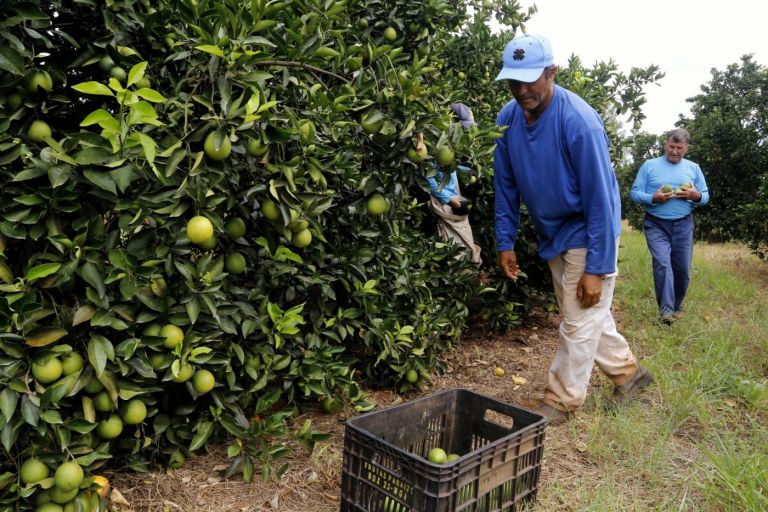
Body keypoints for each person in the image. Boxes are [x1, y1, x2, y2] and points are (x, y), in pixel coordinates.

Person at [493, 34, 652, 424]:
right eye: (515, 81)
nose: (523, 89)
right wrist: (504, 240)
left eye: (532, 79)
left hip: (587, 228)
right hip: (553, 233)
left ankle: (561, 401)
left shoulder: (578, 122)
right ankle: (630, 376)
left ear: (552, 72)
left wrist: (598, 267)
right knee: (585, 313)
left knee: (578, 318)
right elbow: (506, 185)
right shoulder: (507, 119)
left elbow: (601, 199)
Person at [629, 128, 710, 324]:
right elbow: (634, 193)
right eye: (671, 146)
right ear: (665, 144)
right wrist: (653, 198)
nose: (674, 151)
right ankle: (666, 312)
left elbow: (705, 196)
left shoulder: (693, 168)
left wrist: (695, 196)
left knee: (682, 269)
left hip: (683, 225)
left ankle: (676, 306)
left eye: (679, 148)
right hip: (655, 224)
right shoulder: (649, 166)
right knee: (663, 264)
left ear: (686, 148)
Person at [424, 103, 482, 264]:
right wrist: (449, 200)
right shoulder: (435, 143)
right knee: (453, 241)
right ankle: (456, 275)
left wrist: (465, 170)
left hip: (454, 196)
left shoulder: (450, 142)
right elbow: (429, 177)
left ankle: (467, 271)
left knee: (464, 237)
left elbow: (450, 165)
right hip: (444, 201)